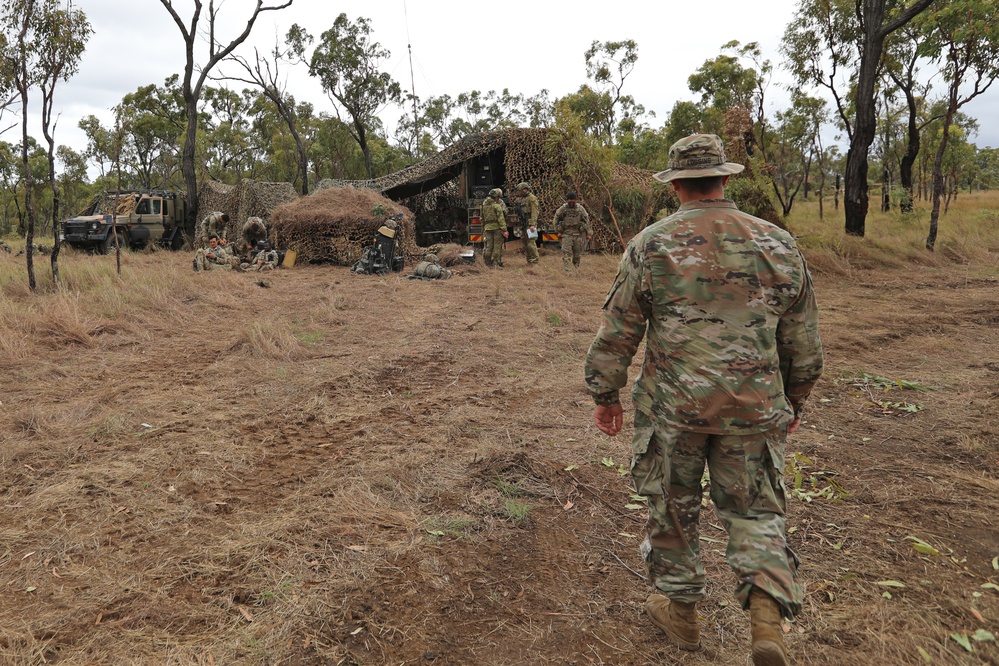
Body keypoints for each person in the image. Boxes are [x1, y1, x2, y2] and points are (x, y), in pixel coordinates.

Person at [584, 134, 823, 666]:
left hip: (674, 410)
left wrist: (606, 392)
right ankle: (765, 623)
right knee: (757, 512)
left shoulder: (652, 243)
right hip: (755, 409)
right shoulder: (777, 243)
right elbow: (802, 341)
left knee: (671, 507)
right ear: (724, 178)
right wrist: (795, 401)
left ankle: (683, 616)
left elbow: (620, 327)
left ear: (676, 185)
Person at [553, 191, 592, 270]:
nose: (571, 202)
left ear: (576, 200)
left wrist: (589, 233)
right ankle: (567, 270)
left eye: (573, 200)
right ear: (567, 200)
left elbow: (587, 220)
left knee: (577, 255)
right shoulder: (562, 209)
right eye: (569, 200)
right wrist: (558, 230)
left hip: (577, 234)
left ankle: (576, 269)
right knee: (566, 253)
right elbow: (555, 220)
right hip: (566, 234)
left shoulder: (580, 209)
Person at [514, 182, 540, 265]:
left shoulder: (532, 198)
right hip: (523, 224)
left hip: (530, 224)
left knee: (531, 243)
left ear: (525, 190)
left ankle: (535, 261)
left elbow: (534, 212)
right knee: (525, 243)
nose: (518, 192)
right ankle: (529, 261)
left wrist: (532, 224)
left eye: (519, 190)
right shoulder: (520, 199)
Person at [481, 187, 506, 267]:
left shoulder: (483, 206)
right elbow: (501, 219)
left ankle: (487, 263)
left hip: (487, 228)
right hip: (496, 228)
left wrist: (483, 229)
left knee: (488, 246)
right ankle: (495, 263)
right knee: (497, 246)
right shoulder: (497, 206)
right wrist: (504, 229)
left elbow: (482, 218)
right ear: (496, 196)